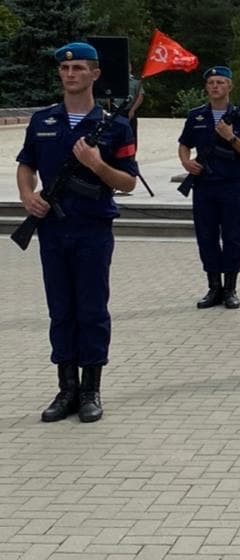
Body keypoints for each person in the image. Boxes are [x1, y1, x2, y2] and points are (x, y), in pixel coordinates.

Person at [16, 41, 137, 423]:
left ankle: (90, 389)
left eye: (80, 69)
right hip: (52, 229)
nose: (71, 75)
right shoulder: (43, 121)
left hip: (92, 228)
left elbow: (128, 182)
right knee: (60, 309)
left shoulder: (115, 125)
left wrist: (97, 166)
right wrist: (26, 196)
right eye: (66, 69)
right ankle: (65, 388)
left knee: (91, 309)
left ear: (95, 75)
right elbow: (26, 165)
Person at [178, 66, 240, 311]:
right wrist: (185, 161)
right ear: (206, 87)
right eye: (211, 82)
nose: (215, 86)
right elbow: (184, 144)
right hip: (204, 187)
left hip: (230, 185)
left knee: (233, 237)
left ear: (230, 87)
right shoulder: (197, 116)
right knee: (207, 237)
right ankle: (214, 286)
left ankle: (230, 288)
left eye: (220, 82)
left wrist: (231, 137)